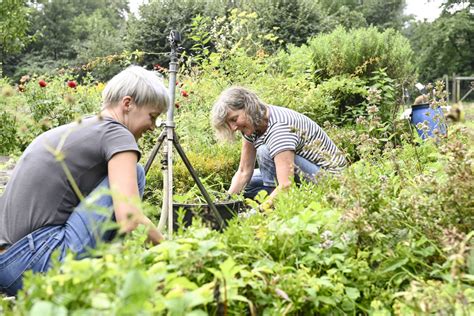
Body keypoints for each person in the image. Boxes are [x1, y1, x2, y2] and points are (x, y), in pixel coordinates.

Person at [0, 66, 169, 296]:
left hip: (9, 265)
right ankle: (117, 276)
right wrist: (173, 251)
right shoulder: (117, 133)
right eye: (152, 116)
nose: (152, 127)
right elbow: (130, 219)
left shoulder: (82, 129)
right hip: (37, 262)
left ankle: (110, 274)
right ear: (127, 103)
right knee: (136, 173)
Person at [211, 87, 346, 207]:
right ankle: (283, 196)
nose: (233, 128)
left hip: (330, 180)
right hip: (299, 172)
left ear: (248, 107)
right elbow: (243, 172)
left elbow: (285, 184)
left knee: (264, 151)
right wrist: (223, 203)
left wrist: (258, 212)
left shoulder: (279, 128)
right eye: (229, 123)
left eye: (234, 119)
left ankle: (279, 206)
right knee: (248, 182)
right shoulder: (254, 125)